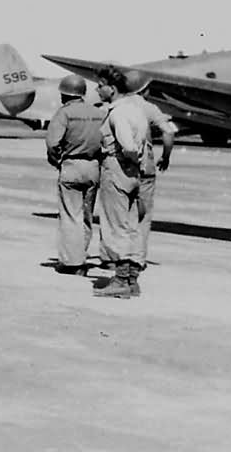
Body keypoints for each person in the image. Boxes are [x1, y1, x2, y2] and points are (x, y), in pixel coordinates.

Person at [93, 68, 171, 298]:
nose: (97, 89)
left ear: (113, 89)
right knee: (132, 226)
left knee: (114, 226)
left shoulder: (117, 113)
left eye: (100, 85)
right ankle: (132, 280)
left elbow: (127, 145)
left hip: (117, 171)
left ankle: (120, 281)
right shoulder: (137, 110)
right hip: (136, 174)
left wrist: (129, 158)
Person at [45, 74, 105, 273]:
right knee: (87, 216)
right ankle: (82, 256)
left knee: (71, 215)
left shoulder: (64, 113)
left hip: (71, 166)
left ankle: (72, 262)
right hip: (94, 167)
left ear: (64, 95)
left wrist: (57, 161)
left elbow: (53, 143)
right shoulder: (99, 112)